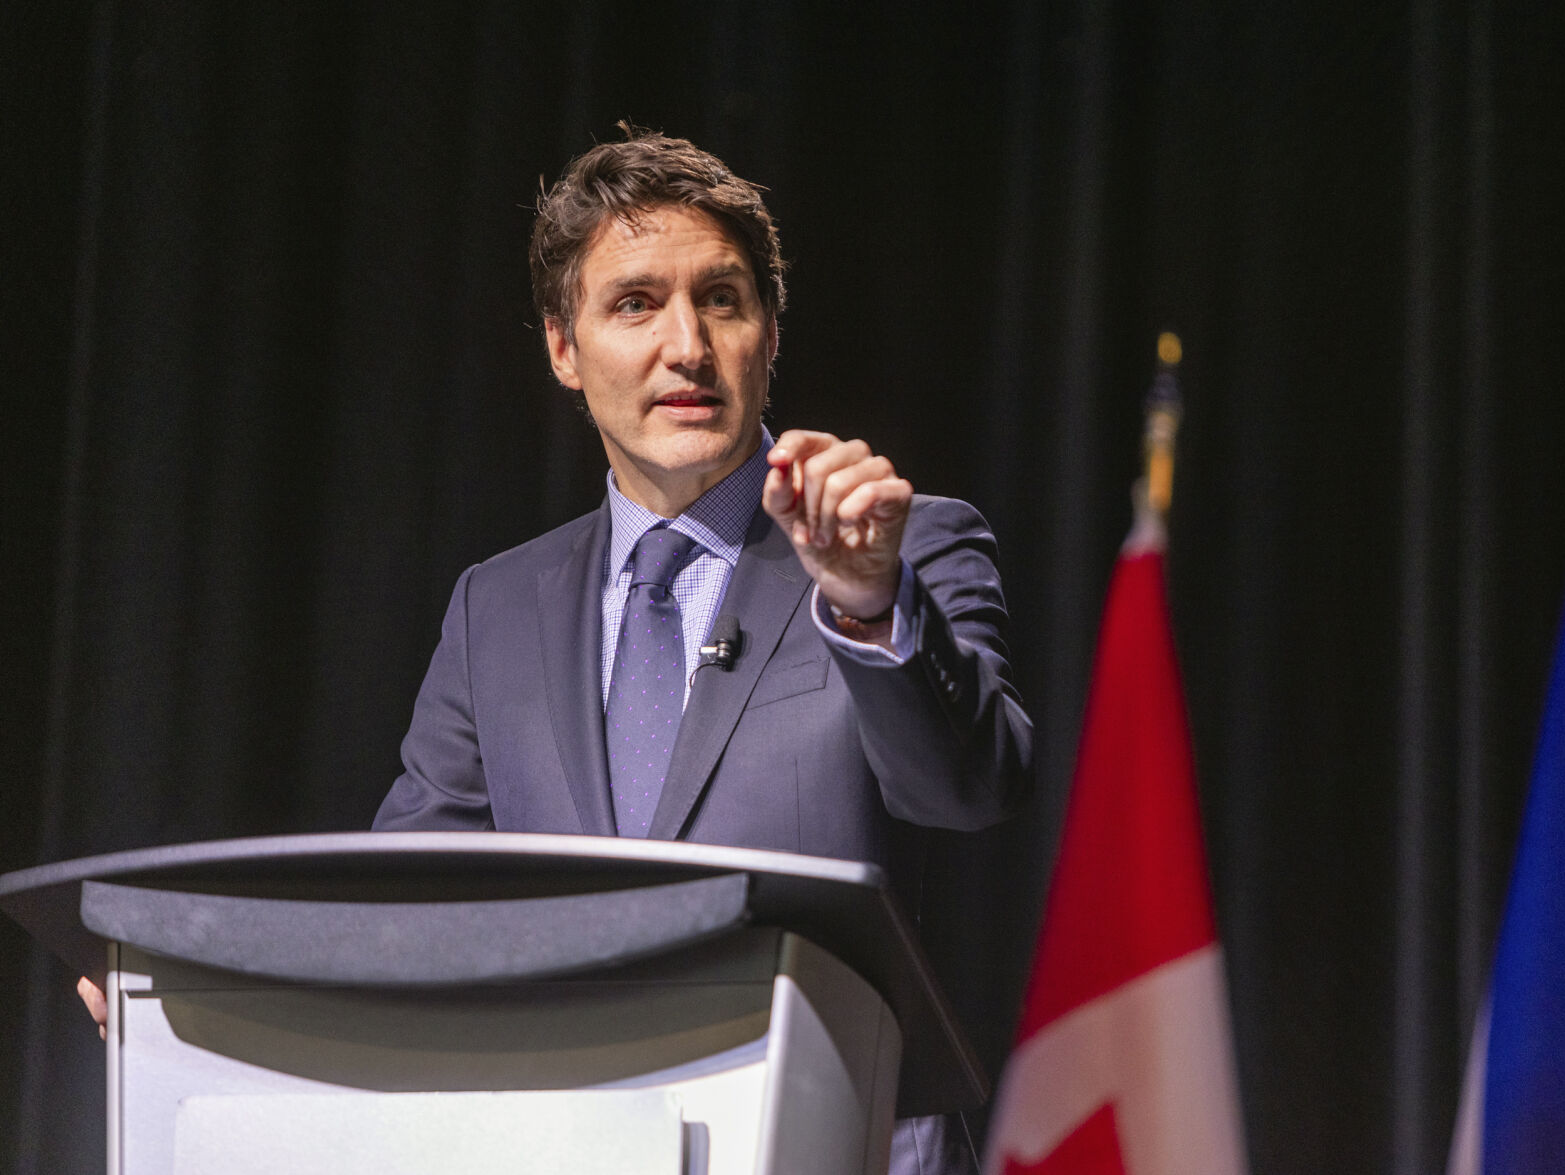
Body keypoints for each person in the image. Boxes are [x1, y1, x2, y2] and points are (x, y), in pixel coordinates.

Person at [88, 129, 1033, 1175]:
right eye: (635, 303)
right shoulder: (496, 607)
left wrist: (864, 600)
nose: (686, 344)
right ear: (563, 349)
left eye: (721, 299)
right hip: (568, 1141)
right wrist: (201, 996)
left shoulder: (904, 545)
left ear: (769, 334)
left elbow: (969, 788)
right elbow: (409, 906)